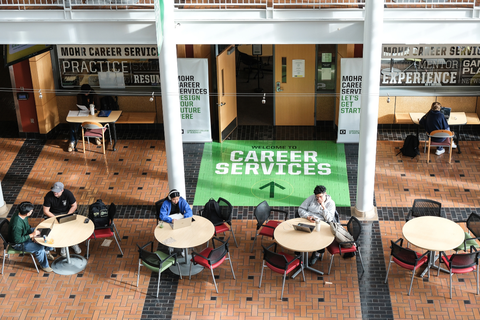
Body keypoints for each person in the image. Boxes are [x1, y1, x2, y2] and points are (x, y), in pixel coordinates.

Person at [8, 201, 55, 272]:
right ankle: (44, 266)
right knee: (40, 248)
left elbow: (26, 226)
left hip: (25, 233)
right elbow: (17, 240)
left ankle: (47, 251)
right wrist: (32, 235)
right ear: (27, 213)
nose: (32, 211)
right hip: (18, 244)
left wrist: (33, 235)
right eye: (31, 211)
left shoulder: (21, 213)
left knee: (44, 231)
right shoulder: (17, 225)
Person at [298, 185, 336, 266]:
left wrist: (323, 207)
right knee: (300, 235)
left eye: (320, 196)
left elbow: (329, 219)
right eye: (317, 197)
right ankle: (299, 253)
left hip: (321, 223)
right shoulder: (311, 198)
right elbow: (301, 209)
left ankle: (316, 254)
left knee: (320, 238)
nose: (318, 199)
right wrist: (307, 216)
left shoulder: (331, 204)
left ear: (325, 194)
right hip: (308, 221)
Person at [43, 182, 81, 257]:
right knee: (62, 228)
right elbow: (46, 210)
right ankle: (65, 246)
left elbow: (74, 205)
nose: (55, 193)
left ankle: (70, 244)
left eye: (57, 191)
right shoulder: (48, 196)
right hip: (54, 214)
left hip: (66, 213)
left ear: (62, 190)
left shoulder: (68, 194)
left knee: (70, 228)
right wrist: (56, 218)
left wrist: (68, 215)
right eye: (54, 191)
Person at [68, 84, 101, 152]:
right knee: (73, 124)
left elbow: (98, 107)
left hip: (92, 114)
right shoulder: (80, 96)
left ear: (90, 90)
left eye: (87, 92)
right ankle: (72, 142)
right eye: (84, 92)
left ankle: (96, 136)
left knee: (94, 123)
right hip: (83, 114)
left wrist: (94, 109)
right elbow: (79, 106)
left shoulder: (94, 95)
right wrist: (84, 109)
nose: (86, 94)